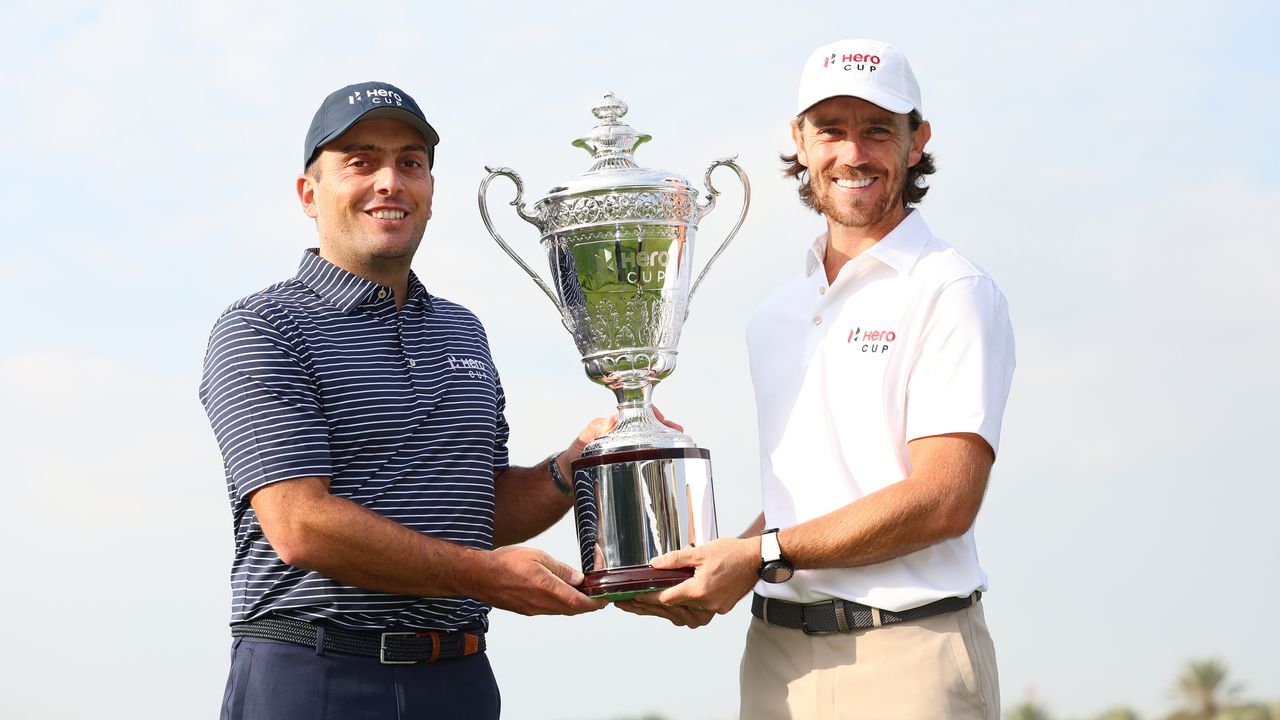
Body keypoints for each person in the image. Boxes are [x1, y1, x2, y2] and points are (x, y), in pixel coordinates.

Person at [619, 39, 1016, 719]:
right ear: (799, 141)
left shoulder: (952, 290)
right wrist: (716, 565)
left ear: (917, 142)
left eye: (877, 131)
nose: (853, 154)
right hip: (777, 660)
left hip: (909, 654)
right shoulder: (776, 315)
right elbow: (809, 499)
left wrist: (759, 556)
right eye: (831, 130)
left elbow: (945, 497)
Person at [199, 81, 608, 720]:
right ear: (309, 193)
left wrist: (573, 468)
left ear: (430, 192)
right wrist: (483, 575)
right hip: (315, 675)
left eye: (409, 162)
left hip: (459, 680)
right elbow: (299, 524)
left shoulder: (462, 329)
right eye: (360, 161)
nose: (389, 180)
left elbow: (479, 512)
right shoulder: (262, 326)